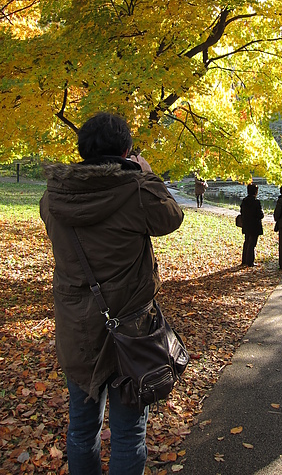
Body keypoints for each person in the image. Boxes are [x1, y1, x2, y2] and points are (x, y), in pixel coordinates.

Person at [40, 113, 184, 475]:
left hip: (77, 330)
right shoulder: (135, 191)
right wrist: (147, 174)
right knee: (128, 434)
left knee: (81, 428)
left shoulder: (53, 198)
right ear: (126, 150)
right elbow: (172, 218)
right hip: (132, 330)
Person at [239, 183, 264, 267]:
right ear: (255, 192)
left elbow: (241, 212)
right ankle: (250, 261)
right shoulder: (256, 202)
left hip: (246, 224)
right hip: (254, 225)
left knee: (247, 242)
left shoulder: (244, 201)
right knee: (252, 243)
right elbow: (260, 215)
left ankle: (244, 260)